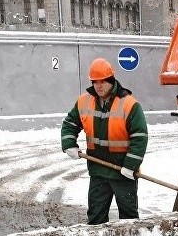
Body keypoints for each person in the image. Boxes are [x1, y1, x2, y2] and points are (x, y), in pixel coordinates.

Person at [61, 58, 148, 225]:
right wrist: (69, 144)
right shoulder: (84, 101)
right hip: (98, 169)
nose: (99, 86)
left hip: (123, 171)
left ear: (111, 80)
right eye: (95, 82)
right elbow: (70, 124)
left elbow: (140, 137)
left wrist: (131, 165)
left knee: (128, 218)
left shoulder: (129, 104)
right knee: (95, 216)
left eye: (103, 82)